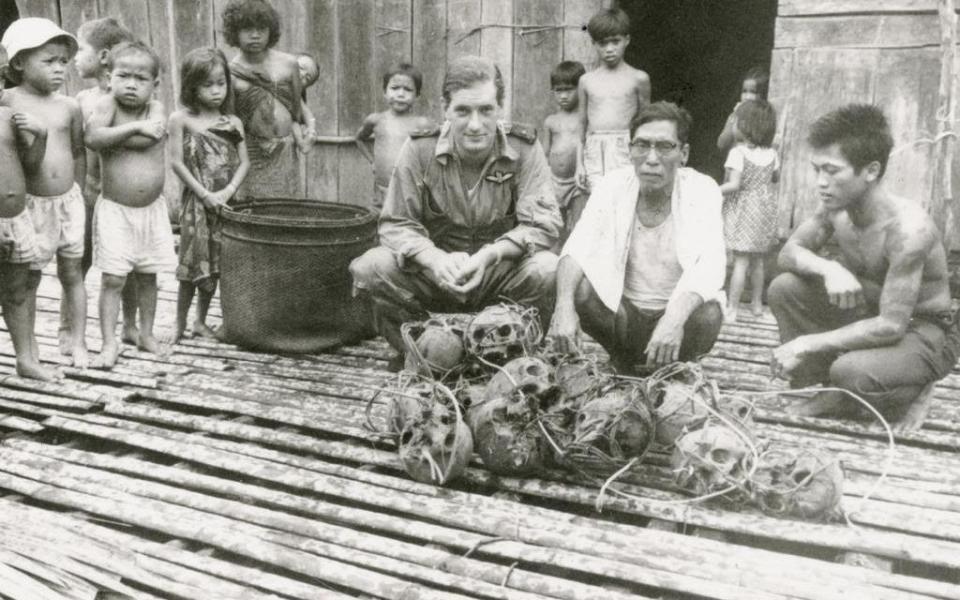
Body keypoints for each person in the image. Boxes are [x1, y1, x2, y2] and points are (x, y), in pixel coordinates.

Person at [349, 55, 562, 367]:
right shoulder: (420, 149)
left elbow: (544, 225)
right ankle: (421, 350)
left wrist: (490, 255)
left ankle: (506, 356)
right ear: (444, 108)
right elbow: (395, 223)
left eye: (486, 110)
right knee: (369, 267)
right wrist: (434, 259)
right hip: (436, 274)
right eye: (462, 110)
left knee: (548, 269)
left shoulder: (524, 149)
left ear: (500, 108)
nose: (475, 124)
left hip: (497, 275)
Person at [769, 104, 960, 432]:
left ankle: (912, 387)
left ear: (870, 171)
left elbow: (891, 326)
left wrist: (805, 343)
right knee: (784, 287)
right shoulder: (835, 208)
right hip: (870, 312)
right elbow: (788, 254)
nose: (821, 182)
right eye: (817, 169)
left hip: (923, 330)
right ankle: (827, 386)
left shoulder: (908, 231)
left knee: (850, 371)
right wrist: (829, 269)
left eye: (832, 170)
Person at [549, 102, 725, 374]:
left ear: (684, 154)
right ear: (630, 151)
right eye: (642, 145)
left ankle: (677, 367)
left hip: (675, 319)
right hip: (624, 316)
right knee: (579, 291)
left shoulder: (703, 190)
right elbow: (578, 246)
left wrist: (673, 320)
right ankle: (622, 359)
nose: (651, 158)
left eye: (664, 147)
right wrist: (563, 307)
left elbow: (709, 267)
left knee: (709, 313)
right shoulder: (612, 185)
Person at [1, 18, 88, 368]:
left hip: (68, 201)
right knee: (29, 278)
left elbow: (79, 152)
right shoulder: (8, 102)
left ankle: (77, 342)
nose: (59, 69)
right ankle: (30, 350)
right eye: (49, 61)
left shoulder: (69, 106)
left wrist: (79, 191)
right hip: (30, 206)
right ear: (19, 62)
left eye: (63, 62)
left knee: (73, 273)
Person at [85, 41, 176, 369]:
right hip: (116, 211)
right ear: (109, 77)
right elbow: (93, 138)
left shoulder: (157, 108)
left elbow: (151, 137)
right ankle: (110, 343)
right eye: (124, 76)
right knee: (114, 277)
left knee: (148, 274)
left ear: (155, 84)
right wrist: (135, 127)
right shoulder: (107, 104)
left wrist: (120, 135)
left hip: (152, 211)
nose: (131, 84)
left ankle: (144, 333)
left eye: (141, 78)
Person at [166, 47, 249, 344]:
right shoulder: (181, 120)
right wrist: (204, 194)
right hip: (197, 206)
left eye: (221, 83)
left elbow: (245, 163)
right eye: (207, 84)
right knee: (192, 265)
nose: (216, 91)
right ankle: (178, 324)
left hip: (226, 205)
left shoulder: (232, 123)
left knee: (216, 264)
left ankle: (200, 321)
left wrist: (227, 192)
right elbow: (176, 162)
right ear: (191, 86)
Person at [72, 17, 141, 350]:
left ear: (102, 56)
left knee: (124, 265)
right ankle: (69, 332)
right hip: (88, 194)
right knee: (76, 264)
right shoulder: (81, 101)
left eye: (80, 48)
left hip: (120, 197)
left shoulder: (131, 100)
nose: (73, 57)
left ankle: (129, 326)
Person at [0, 43, 59, 381]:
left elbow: (31, 166)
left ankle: (26, 359)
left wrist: (41, 135)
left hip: (16, 218)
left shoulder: (10, 117)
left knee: (18, 290)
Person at [222, 0, 306, 198]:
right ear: (234, 32)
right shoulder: (231, 72)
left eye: (261, 29)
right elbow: (232, 122)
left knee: (286, 212)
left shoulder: (288, 64)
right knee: (255, 211)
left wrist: (305, 130)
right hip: (252, 154)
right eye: (247, 29)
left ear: (271, 31)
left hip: (285, 152)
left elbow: (297, 109)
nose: (255, 35)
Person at [576, 8, 651, 192]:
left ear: (627, 40)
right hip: (594, 150)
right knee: (598, 202)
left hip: (624, 149)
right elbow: (581, 126)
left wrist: (643, 157)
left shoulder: (638, 78)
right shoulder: (586, 81)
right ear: (593, 43)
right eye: (602, 43)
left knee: (624, 197)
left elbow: (646, 124)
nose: (609, 49)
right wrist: (579, 164)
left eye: (615, 42)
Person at [720, 99, 779, 321]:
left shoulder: (738, 153)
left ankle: (732, 308)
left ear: (746, 125)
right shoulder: (773, 154)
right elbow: (774, 178)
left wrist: (712, 190)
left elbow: (734, 185)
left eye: (736, 121)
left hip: (744, 210)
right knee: (758, 262)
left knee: (740, 262)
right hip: (763, 210)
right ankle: (757, 306)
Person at [355, 63, 434, 211]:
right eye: (395, 88)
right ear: (385, 92)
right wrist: (372, 161)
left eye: (408, 89)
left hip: (410, 191)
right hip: (381, 190)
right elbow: (359, 139)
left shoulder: (422, 124)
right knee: (378, 224)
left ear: (417, 95)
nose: (401, 94)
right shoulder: (376, 120)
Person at [543, 60, 587, 243]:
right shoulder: (551, 121)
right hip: (554, 180)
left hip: (576, 182)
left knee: (579, 224)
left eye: (569, 90)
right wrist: (544, 175)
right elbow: (545, 151)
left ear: (580, 89)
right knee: (555, 224)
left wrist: (581, 167)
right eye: (558, 90)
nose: (563, 96)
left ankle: (574, 254)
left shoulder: (584, 119)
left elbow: (585, 145)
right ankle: (556, 257)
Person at [717, 66, 768, 156]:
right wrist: (735, 118)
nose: (747, 96)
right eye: (744, 91)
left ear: (763, 96)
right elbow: (721, 144)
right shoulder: (734, 115)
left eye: (753, 92)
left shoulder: (764, 117)